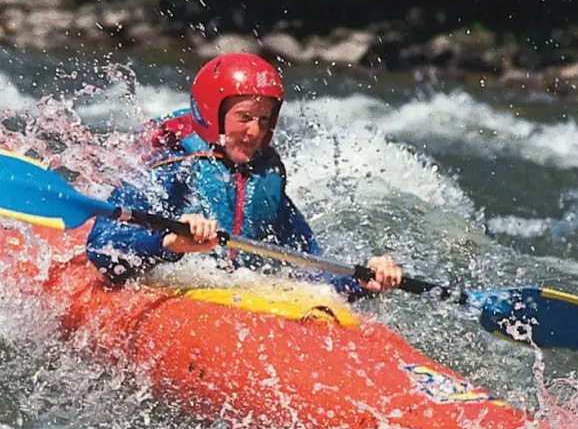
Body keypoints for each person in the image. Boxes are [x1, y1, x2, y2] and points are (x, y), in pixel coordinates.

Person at [85, 53, 403, 296]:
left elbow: (308, 264)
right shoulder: (173, 164)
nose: (255, 131)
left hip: (236, 294)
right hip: (171, 288)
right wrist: (172, 241)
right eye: (245, 117)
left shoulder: (264, 178)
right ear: (213, 115)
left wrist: (361, 278)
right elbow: (103, 248)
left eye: (264, 120)